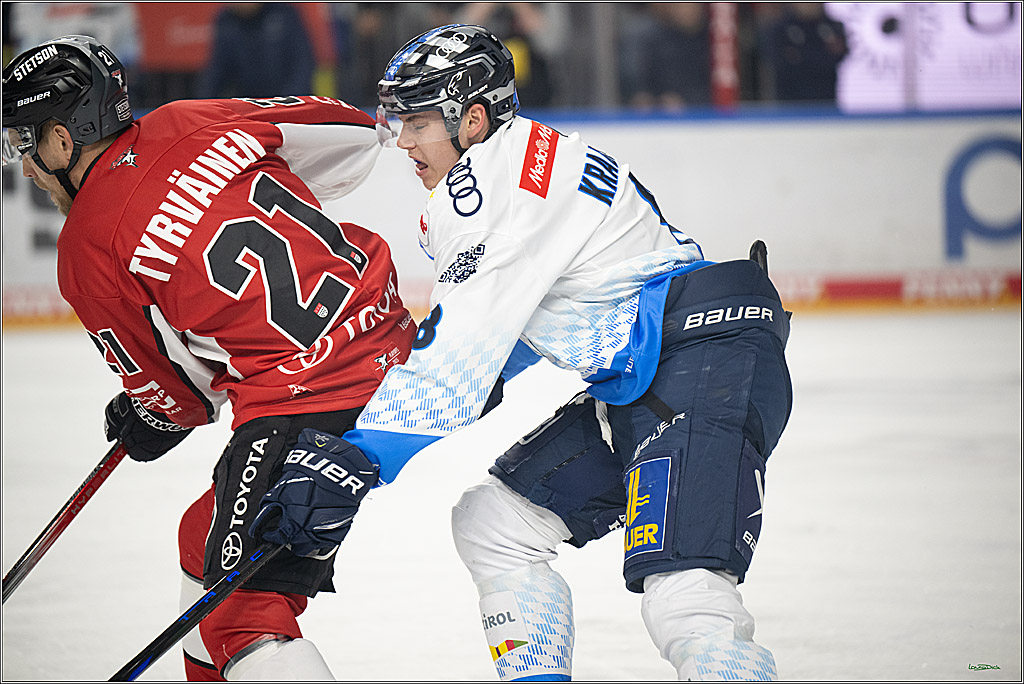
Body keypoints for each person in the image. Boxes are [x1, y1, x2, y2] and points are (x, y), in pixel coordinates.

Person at [252, 23, 794, 681]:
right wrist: (391, 425)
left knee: (686, 595)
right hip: (662, 367)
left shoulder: (489, 190)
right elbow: (508, 336)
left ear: (471, 119)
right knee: (494, 524)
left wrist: (357, 457)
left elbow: (457, 359)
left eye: (418, 122)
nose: (402, 141)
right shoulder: (525, 160)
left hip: (704, 361)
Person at [2, 35, 415, 680]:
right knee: (204, 546)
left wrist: (148, 417)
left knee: (239, 612)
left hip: (313, 391)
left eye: (24, 145)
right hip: (389, 327)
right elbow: (355, 128)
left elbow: (180, 400)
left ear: (61, 140)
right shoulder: (193, 117)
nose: (24, 167)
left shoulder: (87, 251)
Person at [197, 3, 315, 100]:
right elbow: (217, 69)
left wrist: (290, 100)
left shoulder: (285, 13)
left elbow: (303, 62)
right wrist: (202, 106)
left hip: (288, 100)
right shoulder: (226, 19)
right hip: (249, 104)